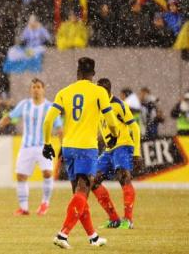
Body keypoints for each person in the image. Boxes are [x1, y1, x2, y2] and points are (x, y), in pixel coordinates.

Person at [42, 57, 119, 249]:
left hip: (68, 148)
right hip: (87, 148)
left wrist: (47, 144)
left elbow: (47, 121)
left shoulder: (64, 92)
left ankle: (93, 237)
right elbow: (110, 120)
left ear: (77, 73)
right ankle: (63, 234)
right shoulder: (99, 91)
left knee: (79, 194)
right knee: (83, 192)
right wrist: (114, 135)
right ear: (93, 74)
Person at [0, 78, 63, 216]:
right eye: (33, 87)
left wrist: (63, 144)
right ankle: (24, 208)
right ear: (30, 89)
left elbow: (59, 127)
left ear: (43, 89)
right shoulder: (24, 105)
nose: (36, 89)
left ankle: (44, 204)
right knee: (21, 176)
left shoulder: (50, 107)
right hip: (27, 146)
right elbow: (9, 117)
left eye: (38, 87)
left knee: (47, 173)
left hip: (44, 146)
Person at [91, 78, 142, 230]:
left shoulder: (118, 105)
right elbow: (102, 132)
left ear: (107, 90)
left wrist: (137, 152)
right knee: (92, 180)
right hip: (108, 150)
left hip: (123, 146)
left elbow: (135, 127)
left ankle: (128, 220)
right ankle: (114, 219)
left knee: (123, 177)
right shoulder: (100, 107)